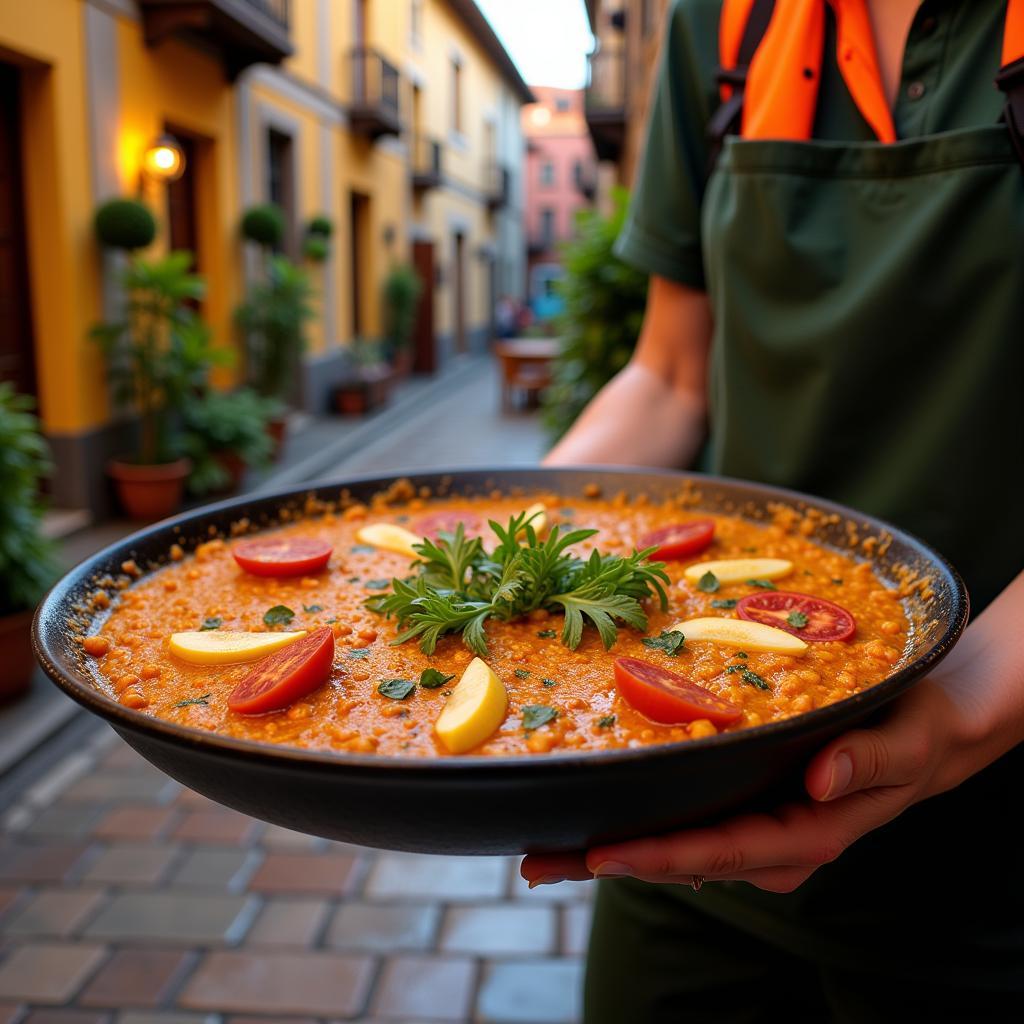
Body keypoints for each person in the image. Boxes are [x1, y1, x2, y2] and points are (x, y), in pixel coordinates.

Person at [521, 1, 1024, 1019]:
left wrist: (963, 709)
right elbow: (669, 375)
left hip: (998, 870)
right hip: (685, 819)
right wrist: (512, 543)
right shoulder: (721, 24)